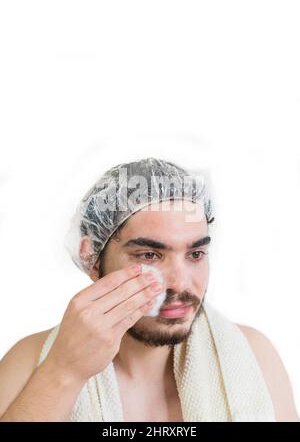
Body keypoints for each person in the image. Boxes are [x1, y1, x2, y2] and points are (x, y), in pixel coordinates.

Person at [0, 158, 299, 422]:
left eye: (195, 254)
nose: (180, 283)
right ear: (92, 259)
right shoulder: (33, 361)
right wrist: (64, 371)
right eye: (149, 255)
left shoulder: (253, 356)